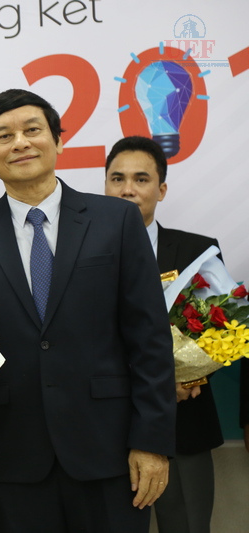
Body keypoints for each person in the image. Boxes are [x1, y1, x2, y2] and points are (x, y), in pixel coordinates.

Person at [0, 89, 176, 533]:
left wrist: (151, 441)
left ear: (59, 141)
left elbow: (149, 339)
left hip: (112, 450)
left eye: (32, 130)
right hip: (13, 457)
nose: (20, 143)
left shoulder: (116, 220)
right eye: (4, 136)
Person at [105, 135, 223, 533]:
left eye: (141, 179)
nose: (128, 189)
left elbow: (221, 330)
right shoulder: (76, 254)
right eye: (117, 179)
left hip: (183, 423)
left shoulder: (197, 252)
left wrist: (187, 376)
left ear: (162, 189)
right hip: (102, 428)